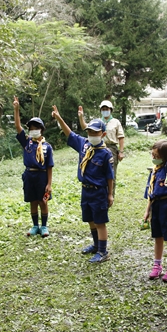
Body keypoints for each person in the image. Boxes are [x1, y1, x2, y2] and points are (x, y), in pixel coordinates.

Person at [52, 105, 114, 263]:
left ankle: (103, 251)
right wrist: (59, 118)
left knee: (100, 222)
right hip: (86, 191)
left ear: (103, 134)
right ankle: (95, 245)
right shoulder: (84, 145)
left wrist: (110, 194)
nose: (92, 135)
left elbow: (110, 177)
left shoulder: (106, 154)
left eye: (95, 132)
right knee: (91, 220)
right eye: (89, 132)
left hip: (99, 191)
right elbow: (69, 133)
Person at [13, 96, 54, 237]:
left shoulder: (47, 147)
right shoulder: (27, 143)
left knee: (43, 201)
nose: (33, 130)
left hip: (41, 176)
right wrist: (16, 110)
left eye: (36, 128)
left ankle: (44, 226)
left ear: (41, 130)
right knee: (33, 201)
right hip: (29, 175)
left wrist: (49, 183)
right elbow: (18, 127)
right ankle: (35, 225)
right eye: (31, 128)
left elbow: (49, 166)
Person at [143, 140, 167, 282]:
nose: (153, 157)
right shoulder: (154, 170)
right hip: (155, 206)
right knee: (157, 237)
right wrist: (147, 211)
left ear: (164, 157)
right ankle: (157, 265)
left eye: (156, 155)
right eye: (152, 154)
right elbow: (150, 193)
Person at [79, 100, 124, 197]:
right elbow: (85, 127)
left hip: (111, 148)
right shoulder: (97, 122)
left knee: (111, 174)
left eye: (106, 109)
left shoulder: (115, 122)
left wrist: (121, 151)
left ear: (111, 110)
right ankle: (99, 194)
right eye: (103, 109)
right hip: (97, 148)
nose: (105, 111)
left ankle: (110, 195)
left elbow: (121, 137)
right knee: (97, 172)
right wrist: (81, 117)